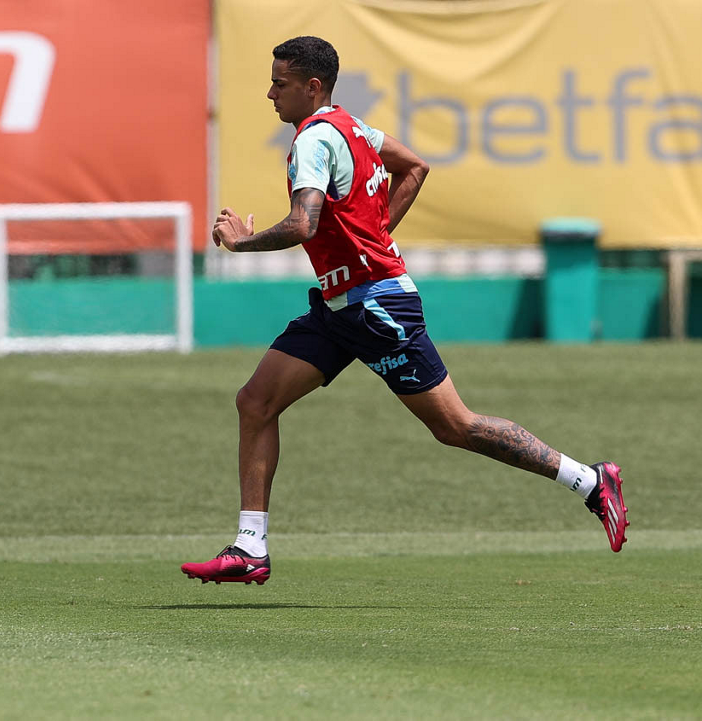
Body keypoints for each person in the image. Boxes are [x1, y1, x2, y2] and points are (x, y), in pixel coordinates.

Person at [181, 36, 627, 586]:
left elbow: (303, 223)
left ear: (312, 86)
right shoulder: (354, 128)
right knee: (255, 401)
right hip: (339, 307)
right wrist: (374, 236)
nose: (270, 94)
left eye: (280, 83)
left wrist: (242, 242)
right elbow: (415, 166)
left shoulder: (314, 139)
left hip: (376, 308)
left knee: (456, 426)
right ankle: (250, 548)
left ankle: (590, 481)